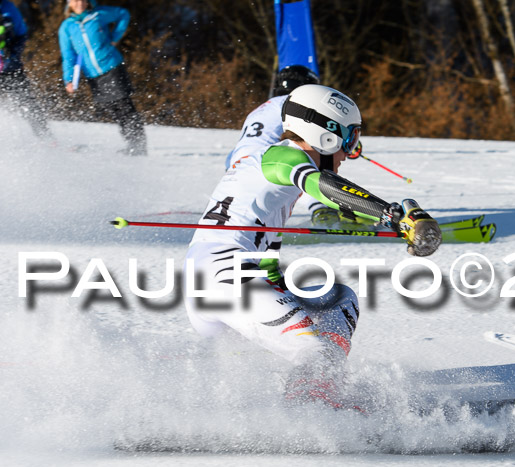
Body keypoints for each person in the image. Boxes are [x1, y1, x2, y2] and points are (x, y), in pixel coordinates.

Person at [185, 84, 441, 410]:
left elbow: (257, 246)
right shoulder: (282, 157)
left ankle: (316, 392)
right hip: (223, 275)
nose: (350, 152)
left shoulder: (256, 157)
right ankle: (312, 412)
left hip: (216, 275)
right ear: (326, 134)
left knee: (339, 300)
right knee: (314, 351)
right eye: (350, 140)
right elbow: (321, 185)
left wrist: (276, 289)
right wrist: (389, 215)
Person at [225, 65, 362, 227]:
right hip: (269, 162)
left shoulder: (262, 107)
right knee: (308, 166)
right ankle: (323, 212)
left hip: (238, 163)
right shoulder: (293, 105)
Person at [59, 0, 147, 155]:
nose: (79, 3)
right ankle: (131, 144)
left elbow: (123, 14)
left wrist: (115, 37)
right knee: (113, 109)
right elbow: (68, 56)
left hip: (111, 66)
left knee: (124, 106)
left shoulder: (98, 15)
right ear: (69, 4)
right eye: (75, 0)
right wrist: (69, 79)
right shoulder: (66, 27)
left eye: (82, 0)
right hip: (92, 74)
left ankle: (138, 146)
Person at [0, 0, 52, 139]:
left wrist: (12, 55)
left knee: (28, 103)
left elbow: (21, 35)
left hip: (9, 67)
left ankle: (46, 138)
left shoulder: (7, 7)